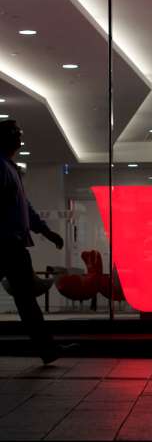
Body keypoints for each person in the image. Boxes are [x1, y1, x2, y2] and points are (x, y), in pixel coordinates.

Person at [0, 119, 76, 364]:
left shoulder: (9, 167)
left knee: (26, 298)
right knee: (27, 298)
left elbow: (25, 207)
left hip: (12, 242)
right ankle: (48, 349)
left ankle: (48, 349)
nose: (20, 136)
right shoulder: (0, 167)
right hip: (6, 243)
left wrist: (45, 231)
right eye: (16, 133)